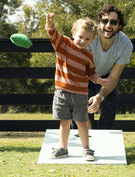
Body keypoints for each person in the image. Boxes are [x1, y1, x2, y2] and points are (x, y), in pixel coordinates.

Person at [45, 13, 109, 161]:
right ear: (73, 33)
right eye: (80, 37)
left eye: (87, 39)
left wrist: (99, 80)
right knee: (64, 122)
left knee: (82, 121)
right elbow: (52, 34)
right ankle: (63, 148)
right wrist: (50, 23)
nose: (82, 41)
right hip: (62, 93)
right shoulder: (63, 44)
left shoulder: (88, 55)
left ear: (92, 40)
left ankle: (86, 149)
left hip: (80, 94)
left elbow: (91, 73)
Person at [74, 5, 133, 129]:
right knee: (79, 101)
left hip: (104, 77)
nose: (108, 25)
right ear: (99, 23)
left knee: (112, 99)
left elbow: (113, 78)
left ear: (120, 25)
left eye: (113, 22)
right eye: (105, 21)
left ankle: (104, 141)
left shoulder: (125, 44)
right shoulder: (88, 38)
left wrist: (99, 97)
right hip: (81, 76)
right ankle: (81, 142)